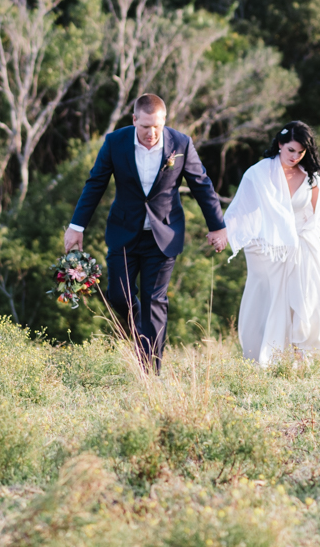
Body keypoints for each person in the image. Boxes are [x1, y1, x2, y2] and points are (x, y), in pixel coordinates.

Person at [64, 93, 226, 372]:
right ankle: (141, 334)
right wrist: (76, 227)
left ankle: (150, 371)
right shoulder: (115, 143)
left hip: (163, 235)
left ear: (164, 121)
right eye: (145, 126)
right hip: (124, 231)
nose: (151, 133)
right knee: (118, 296)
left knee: (155, 301)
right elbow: (95, 184)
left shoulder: (181, 144)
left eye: (157, 126)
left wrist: (217, 226)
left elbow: (201, 184)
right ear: (134, 120)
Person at [222, 121, 320, 366]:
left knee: (306, 299)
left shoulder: (313, 178)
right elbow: (241, 209)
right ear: (280, 144)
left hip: (302, 245)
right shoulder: (258, 173)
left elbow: (319, 215)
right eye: (291, 150)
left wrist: (301, 240)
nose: (295, 157)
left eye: (301, 152)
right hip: (266, 247)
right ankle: (262, 358)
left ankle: (297, 359)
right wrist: (223, 233)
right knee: (266, 300)